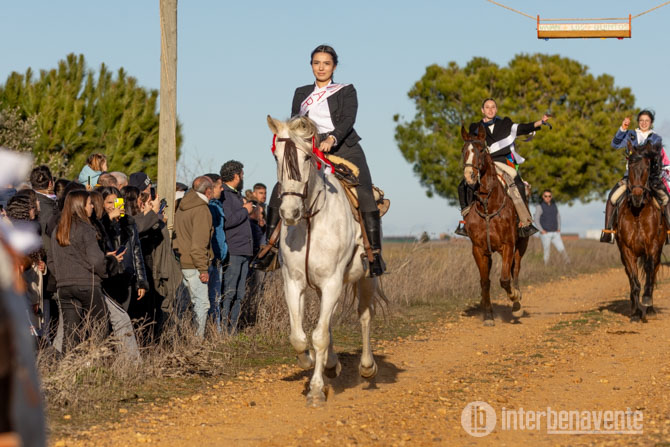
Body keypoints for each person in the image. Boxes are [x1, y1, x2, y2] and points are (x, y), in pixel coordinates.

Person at [255, 44, 386, 276]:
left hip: (344, 147)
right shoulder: (301, 92)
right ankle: (270, 249)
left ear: (334, 66)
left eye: (326, 63)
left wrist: (332, 138)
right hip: (311, 148)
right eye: (317, 63)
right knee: (281, 187)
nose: (321, 67)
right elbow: (295, 123)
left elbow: (348, 120)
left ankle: (374, 253)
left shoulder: (346, 90)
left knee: (364, 191)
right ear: (311, 66)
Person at [456, 98, 549, 238]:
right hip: (484, 164)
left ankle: (525, 222)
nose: (490, 110)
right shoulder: (475, 127)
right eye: (487, 107)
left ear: (496, 109)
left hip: (502, 162)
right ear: (482, 110)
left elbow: (522, 128)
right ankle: (466, 222)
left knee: (519, 184)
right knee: (463, 186)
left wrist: (540, 122)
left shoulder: (505, 123)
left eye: (493, 107)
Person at [49, 190, 122, 351]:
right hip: (88, 284)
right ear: (80, 206)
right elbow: (96, 261)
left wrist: (62, 277)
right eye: (89, 203)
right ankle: (97, 363)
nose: (92, 207)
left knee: (70, 333)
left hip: (64, 287)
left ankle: (68, 364)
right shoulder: (86, 229)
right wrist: (112, 263)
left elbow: (51, 261)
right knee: (99, 329)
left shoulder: (58, 230)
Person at [601, 110, 669, 243]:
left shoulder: (656, 138)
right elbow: (615, 144)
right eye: (641, 120)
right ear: (638, 122)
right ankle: (608, 231)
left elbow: (652, 152)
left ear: (651, 123)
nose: (644, 123)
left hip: (650, 178)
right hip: (631, 177)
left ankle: (669, 232)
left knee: (666, 198)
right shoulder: (630, 134)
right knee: (612, 197)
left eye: (647, 121)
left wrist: (634, 149)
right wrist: (622, 129)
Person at [173, 176, 214, 338]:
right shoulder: (201, 210)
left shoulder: (182, 205)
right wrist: (203, 269)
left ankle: (181, 337)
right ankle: (197, 341)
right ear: (208, 191)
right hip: (194, 265)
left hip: (181, 262)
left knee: (182, 305)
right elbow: (199, 244)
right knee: (202, 304)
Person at [220, 160, 253, 335]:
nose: (243, 177)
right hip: (233, 251)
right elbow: (228, 221)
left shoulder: (237, 195)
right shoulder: (225, 195)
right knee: (229, 293)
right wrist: (245, 211)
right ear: (235, 176)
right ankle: (223, 331)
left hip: (244, 250)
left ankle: (232, 329)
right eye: (241, 174)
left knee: (240, 294)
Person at [204, 173, 227, 333]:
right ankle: (208, 333)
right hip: (209, 259)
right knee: (209, 300)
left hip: (217, 258)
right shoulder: (207, 207)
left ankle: (215, 333)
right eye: (219, 186)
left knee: (215, 299)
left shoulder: (217, 205)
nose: (222, 189)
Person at [534, 189, 570, 265]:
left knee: (562, 249)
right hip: (545, 234)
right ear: (543, 197)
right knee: (546, 251)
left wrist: (559, 228)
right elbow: (536, 219)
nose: (547, 198)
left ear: (551, 197)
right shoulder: (539, 206)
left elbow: (558, 217)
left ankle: (568, 264)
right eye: (546, 196)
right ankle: (546, 266)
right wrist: (541, 230)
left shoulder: (554, 205)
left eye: (549, 196)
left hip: (555, 233)